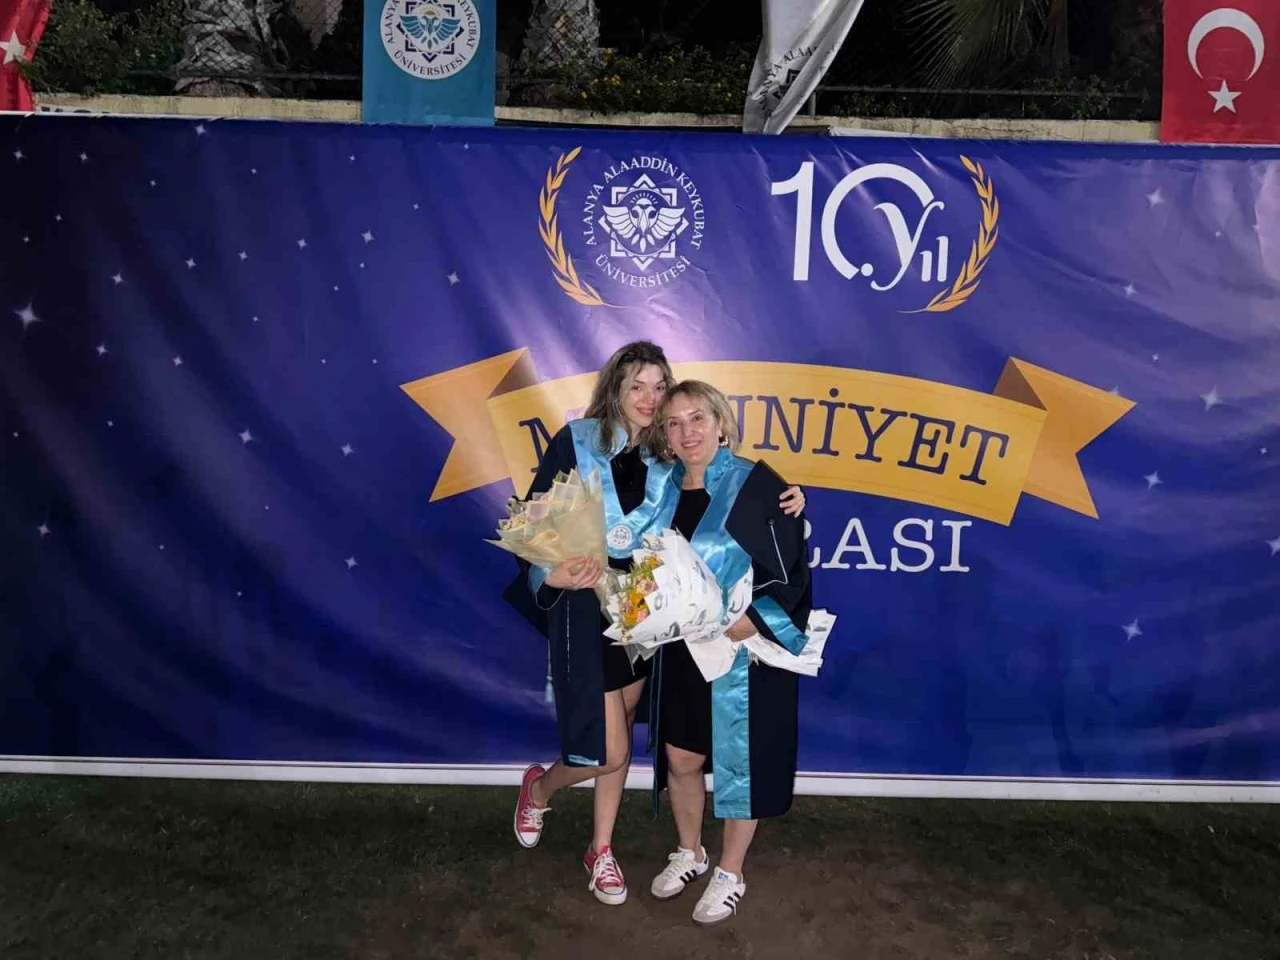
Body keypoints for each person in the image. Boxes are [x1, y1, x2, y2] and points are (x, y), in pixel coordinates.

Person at [507, 344, 806, 906]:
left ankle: (601, 849)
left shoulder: (667, 459)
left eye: (658, 385)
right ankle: (539, 788)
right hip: (588, 610)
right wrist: (553, 575)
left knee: (630, 733)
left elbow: (729, 503)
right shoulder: (576, 442)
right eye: (636, 386)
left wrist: (787, 499)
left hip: (646, 620)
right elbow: (535, 520)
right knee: (608, 750)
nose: (649, 398)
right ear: (614, 389)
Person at [645, 380, 814, 925]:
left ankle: (730, 871)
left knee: (740, 766)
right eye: (673, 423)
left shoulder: (757, 485)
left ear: (721, 423)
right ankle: (690, 851)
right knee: (681, 757)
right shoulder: (659, 488)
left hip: (742, 651)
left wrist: (752, 621)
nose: (687, 431)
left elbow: (791, 570)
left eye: (698, 418)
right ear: (664, 435)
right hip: (680, 649)